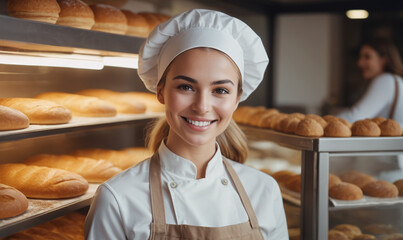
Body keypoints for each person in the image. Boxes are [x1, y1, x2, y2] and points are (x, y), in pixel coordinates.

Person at [84, 9, 288, 240]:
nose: (202, 106)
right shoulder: (118, 198)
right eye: (186, 87)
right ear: (160, 92)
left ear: (237, 99)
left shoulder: (263, 191)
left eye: (220, 90)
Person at [337, 39, 403, 125]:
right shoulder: (394, 79)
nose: (359, 63)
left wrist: (323, 122)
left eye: (367, 57)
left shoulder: (385, 80)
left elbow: (355, 117)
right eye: (360, 57)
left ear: (383, 59)